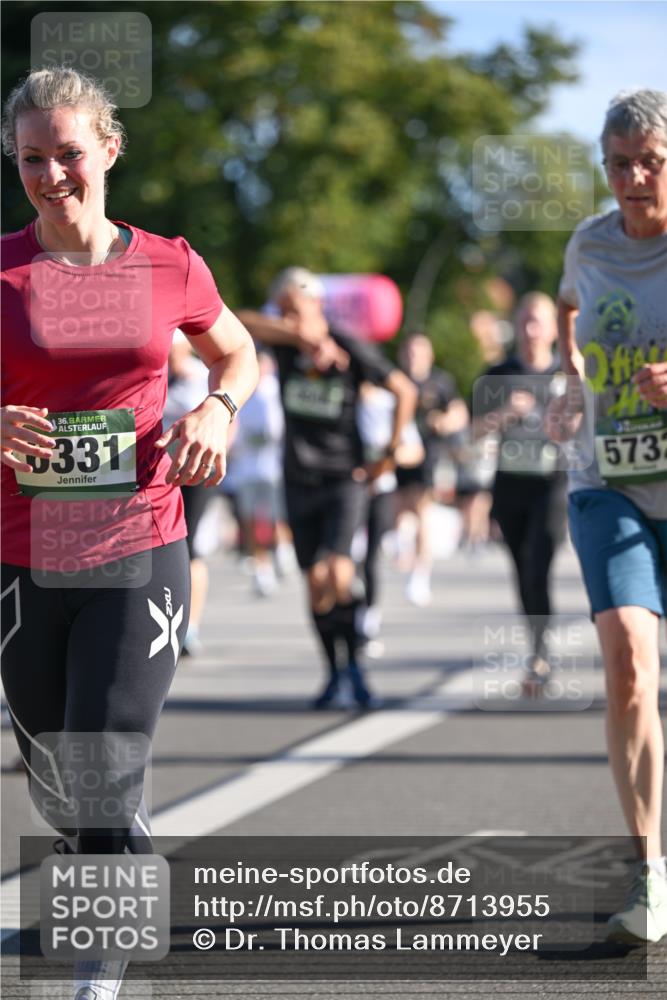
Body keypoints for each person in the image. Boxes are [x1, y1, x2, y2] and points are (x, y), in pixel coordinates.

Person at [0, 67, 258, 1000]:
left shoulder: (170, 264)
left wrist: (217, 409)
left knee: (104, 753)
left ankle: (101, 967)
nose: (53, 175)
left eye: (69, 153)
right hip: (23, 554)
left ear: (109, 149)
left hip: (138, 540)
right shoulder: (0, 272)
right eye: (33, 159)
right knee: (55, 774)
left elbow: (235, 347)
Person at [547, 89, 667, 943]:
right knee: (628, 658)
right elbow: (567, 305)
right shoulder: (587, 241)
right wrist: (564, 376)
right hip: (607, 479)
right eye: (618, 162)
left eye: (650, 161)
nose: (632, 177)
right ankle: (650, 872)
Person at [237, 268, 417, 708]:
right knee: (314, 582)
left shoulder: (349, 344)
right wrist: (295, 336)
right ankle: (334, 669)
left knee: (336, 571)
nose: (289, 318)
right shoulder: (282, 344)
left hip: (346, 476)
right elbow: (236, 321)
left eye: (295, 309)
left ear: (317, 303)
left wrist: (389, 452)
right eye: (282, 311)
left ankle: (355, 663)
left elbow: (404, 389)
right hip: (298, 478)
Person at [473, 293, 568, 693]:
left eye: (539, 321)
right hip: (510, 486)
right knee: (521, 570)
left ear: (553, 328)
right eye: (525, 320)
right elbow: (473, 431)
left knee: (538, 564)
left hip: (553, 486)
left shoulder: (569, 372)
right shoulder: (498, 374)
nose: (531, 330)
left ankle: (541, 655)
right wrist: (505, 413)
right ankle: (537, 648)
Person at [397, 332, 469, 606]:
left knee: (420, 509)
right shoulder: (395, 379)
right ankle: (404, 550)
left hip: (429, 455)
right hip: (398, 454)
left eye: (419, 352)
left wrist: (445, 422)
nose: (413, 357)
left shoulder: (440, 382)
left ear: (429, 356)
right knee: (399, 509)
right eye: (409, 351)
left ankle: (419, 574)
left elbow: (459, 413)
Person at [163, 332, 217, 654]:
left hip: (194, 472)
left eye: (175, 352)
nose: (170, 359)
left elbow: (224, 420)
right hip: (159, 474)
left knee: (190, 545)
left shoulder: (198, 376)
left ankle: (190, 627)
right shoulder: (155, 377)